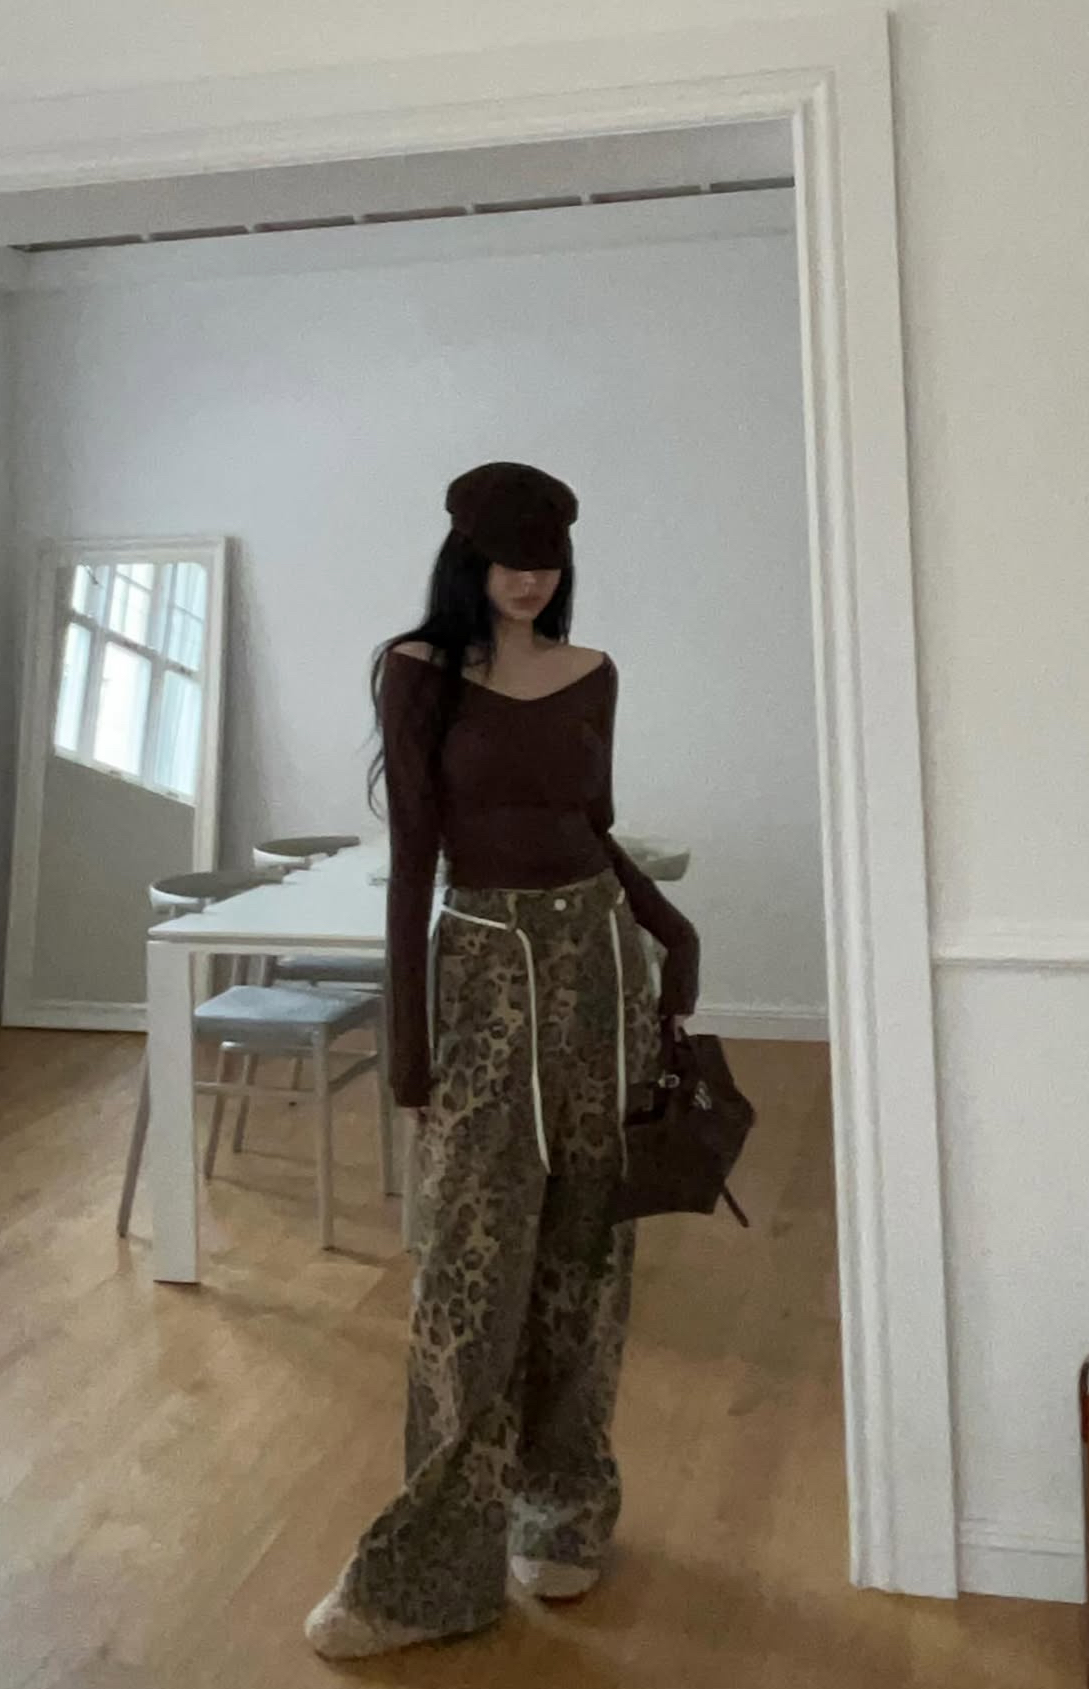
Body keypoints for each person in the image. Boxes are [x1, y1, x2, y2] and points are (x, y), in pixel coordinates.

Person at [305, 461, 700, 1660]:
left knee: (589, 1249)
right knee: (469, 1271)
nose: (531, 580)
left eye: (548, 562)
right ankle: (429, 1571)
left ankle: (564, 1510)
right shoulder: (417, 672)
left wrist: (669, 929)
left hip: (598, 970)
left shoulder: (593, 674)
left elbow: (592, 827)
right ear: (468, 560)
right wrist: (408, 1045)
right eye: (510, 560)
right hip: (482, 968)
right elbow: (415, 858)